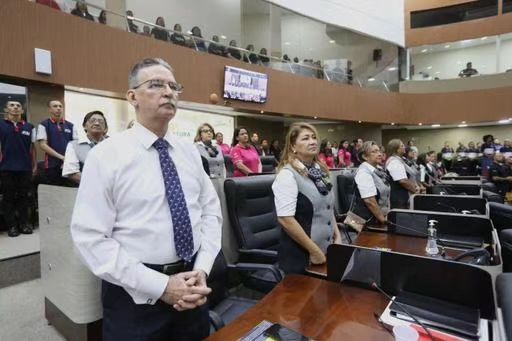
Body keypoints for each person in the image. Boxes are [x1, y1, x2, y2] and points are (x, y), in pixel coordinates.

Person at [71, 58, 221, 340]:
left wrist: (202, 268)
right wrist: (161, 285)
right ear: (132, 97)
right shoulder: (106, 155)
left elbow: (211, 213)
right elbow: (90, 238)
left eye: (173, 86)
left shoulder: (189, 152)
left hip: (192, 286)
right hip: (135, 294)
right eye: (155, 85)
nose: (168, 92)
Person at [272, 123, 340, 274]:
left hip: (326, 251)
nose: (313, 141)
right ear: (293, 146)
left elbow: (326, 206)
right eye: (306, 138)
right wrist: (314, 251)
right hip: (302, 258)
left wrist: (337, 235)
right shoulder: (287, 175)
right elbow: (285, 219)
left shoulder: (319, 171)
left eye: (314, 137)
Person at [0, 101, 37, 237]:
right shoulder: (1, 125)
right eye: (12, 105)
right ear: (6, 109)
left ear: (22, 110)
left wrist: (34, 166)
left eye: (18, 106)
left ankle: (24, 224)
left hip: (25, 169)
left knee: (24, 198)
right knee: (8, 198)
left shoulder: (30, 127)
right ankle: (12, 226)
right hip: (6, 168)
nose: (15, 107)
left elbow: (32, 149)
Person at [37, 99, 77, 186]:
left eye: (60, 106)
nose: (58, 108)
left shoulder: (71, 125)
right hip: (51, 165)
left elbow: (75, 145)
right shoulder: (43, 125)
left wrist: (67, 160)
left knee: (69, 191)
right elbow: (43, 145)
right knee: (54, 192)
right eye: (55, 106)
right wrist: (62, 157)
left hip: (69, 165)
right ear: (49, 109)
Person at [62, 111, 108, 185]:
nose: (97, 123)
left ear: (105, 128)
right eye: (92, 121)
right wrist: (98, 184)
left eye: (101, 121)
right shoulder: (74, 145)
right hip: (86, 190)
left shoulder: (112, 145)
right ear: (84, 126)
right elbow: (72, 173)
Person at [353, 141, 390, 225]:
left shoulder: (378, 170)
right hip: (365, 222)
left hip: (378, 218)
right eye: (374, 151)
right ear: (365, 156)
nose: (380, 154)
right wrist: (383, 221)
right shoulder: (363, 172)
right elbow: (369, 201)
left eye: (379, 151)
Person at [385, 139, 420, 209]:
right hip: (399, 199)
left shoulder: (399, 160)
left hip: (403, 197)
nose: (404, 147)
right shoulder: (394, 162)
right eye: (402, 146)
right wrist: (415, 190)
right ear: (397, 150)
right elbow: (403, 181)